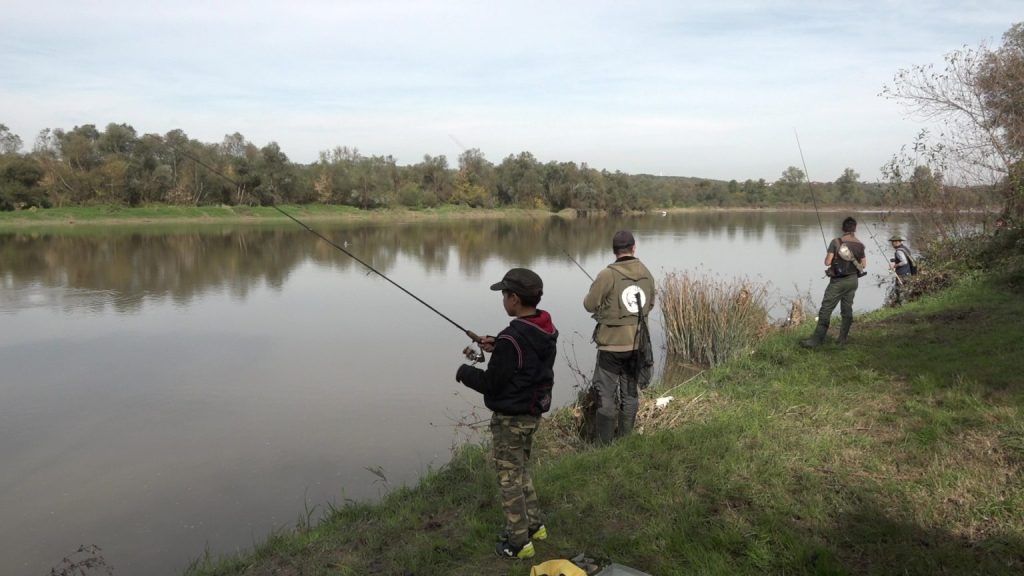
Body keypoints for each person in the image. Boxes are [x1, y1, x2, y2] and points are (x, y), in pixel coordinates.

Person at [455, 268, 558, 560]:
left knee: (508, 479)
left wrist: (464, 372)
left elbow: (491, 382)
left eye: (504, 294)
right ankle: (535, 527)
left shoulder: (513, 337)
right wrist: (498, 344)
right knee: (522, 471)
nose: (503, 299)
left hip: (511, 420)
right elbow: (524, 356)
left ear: (514, 299)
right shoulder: (544, 327)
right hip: (531, 414)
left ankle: (519, 543)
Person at [583, 230, 656, 444]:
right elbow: (649, 305)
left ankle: (604, 445)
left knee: (605, 396)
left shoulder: (607, 274)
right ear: (634, 248)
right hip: (636, 345)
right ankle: (626, 441)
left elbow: (589, 305)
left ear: (614, 251)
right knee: (630, 394)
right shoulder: (646, 272)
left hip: (611, 348)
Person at [801, 217, 867, 348]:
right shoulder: (860, 245)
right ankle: (842, 339)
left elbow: (827, 262)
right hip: (853, 280)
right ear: (855, 229)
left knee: (826, 309)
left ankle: (816, 340)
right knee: (847, 310)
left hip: (838, 281)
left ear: (843, 228)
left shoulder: (836, 242)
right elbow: (863, 265)